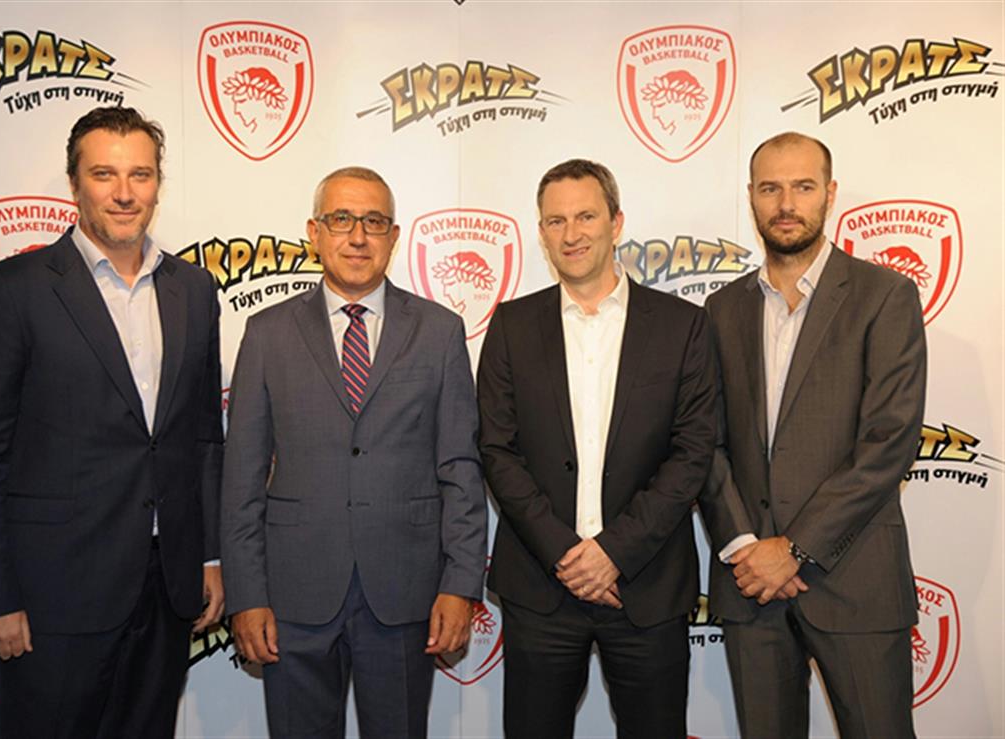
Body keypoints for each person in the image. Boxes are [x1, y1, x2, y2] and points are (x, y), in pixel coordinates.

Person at [0, 106, 225, 738]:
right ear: (75, 185)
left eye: (140, 175)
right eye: (104, 174)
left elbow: (205, 438)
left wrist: (209, 555)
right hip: (50, 596)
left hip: (165, 591)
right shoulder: (12, 289)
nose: (124, 193)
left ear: (157, 184)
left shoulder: (194, 290)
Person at [221, 166, 487, 739]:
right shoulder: (266, 333)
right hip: (292, 597)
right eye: (341, 219)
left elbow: (461, 471)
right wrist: (246, 595)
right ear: (314, 232)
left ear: (395, 236)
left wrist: (461, 584)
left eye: (374, 222)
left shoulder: (440, 332)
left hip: (406, 594)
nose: (358, 237)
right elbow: (241, 477)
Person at [477, 158, 717, 738]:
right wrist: (566, 553)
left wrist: (613, 552)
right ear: (541, 232)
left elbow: (692, 452)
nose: (571, 233)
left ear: (616, 222)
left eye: (586, 216)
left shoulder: (682, 326)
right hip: (540, 586)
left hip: (647, 587)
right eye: (555, 221)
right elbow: (497, 450)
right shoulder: (510, 325)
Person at [699, 131, 926, 738]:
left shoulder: (885, 296)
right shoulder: (722, 309)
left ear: (829, 193)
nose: (786, 204)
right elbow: (705, 444)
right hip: (751, 584)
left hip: (855, 579)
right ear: (751, 196)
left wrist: (794, 548)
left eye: (802, 187)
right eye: (770, 189)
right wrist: (746, 546)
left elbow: (890, 442)